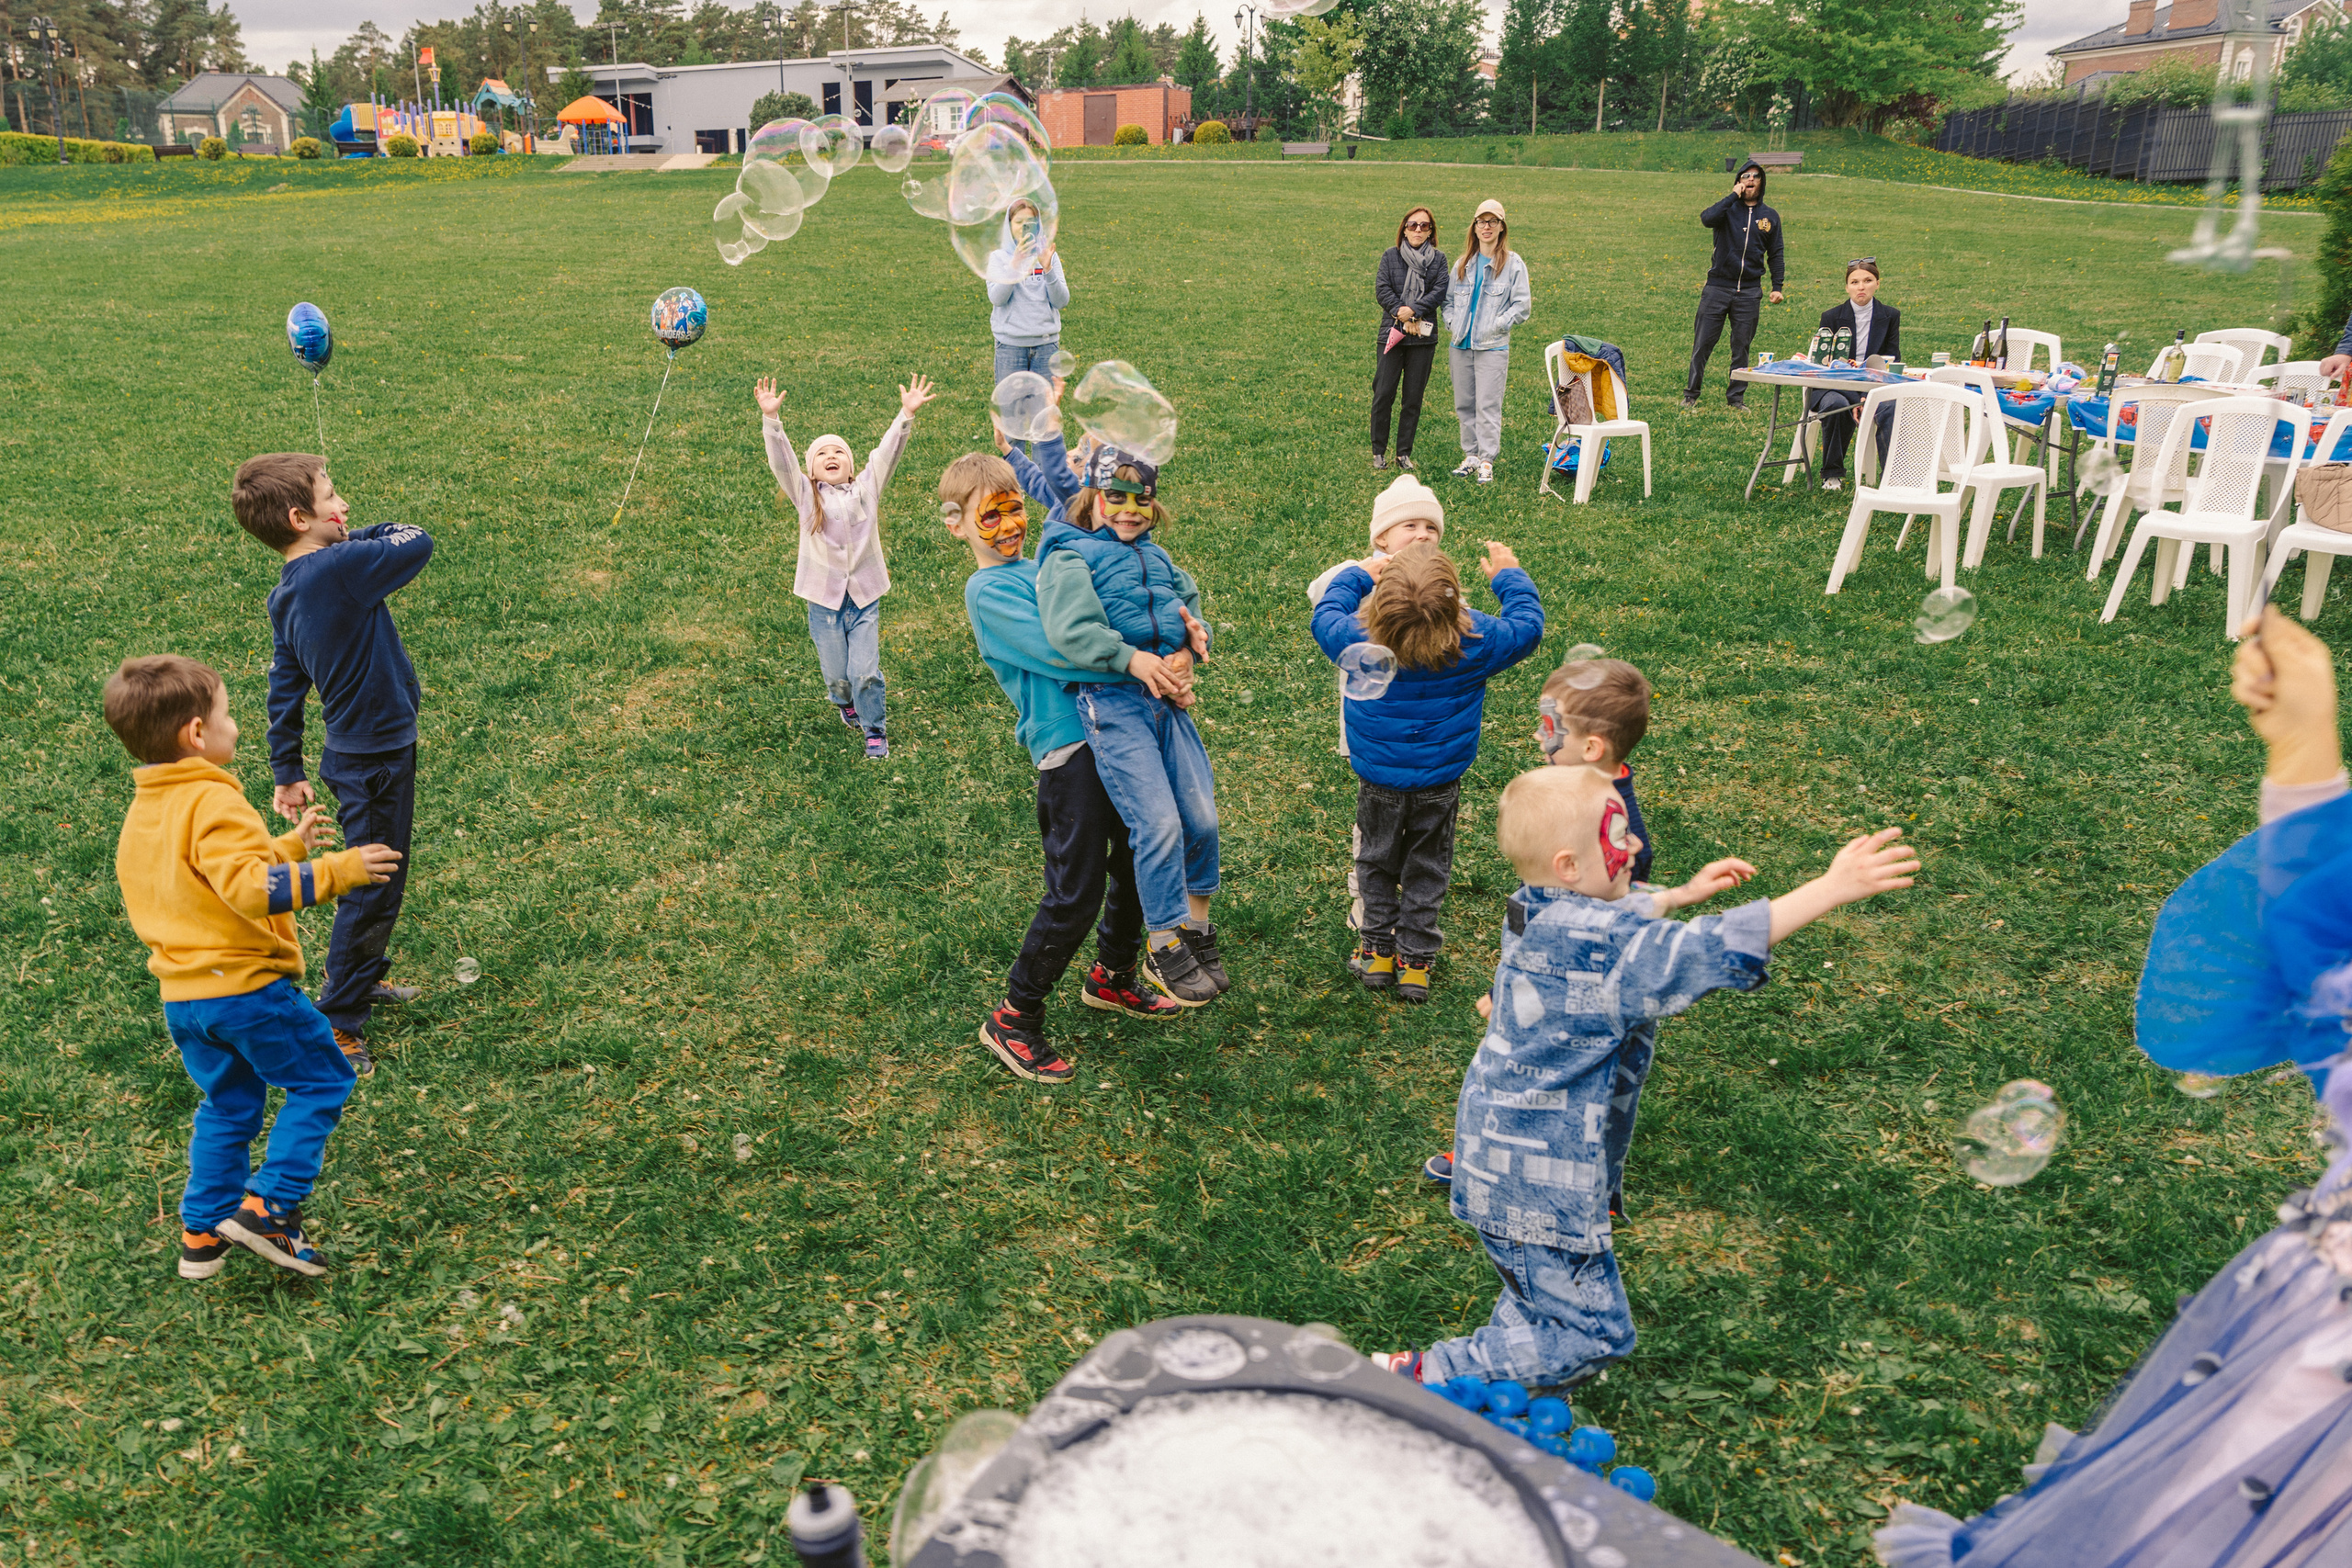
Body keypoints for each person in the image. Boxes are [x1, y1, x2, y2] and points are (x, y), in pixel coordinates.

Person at [1376, 765, 1918, 1390]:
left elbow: (1607, 919)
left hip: (1505, 1162)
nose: (1634, 844)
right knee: (1593, 1332)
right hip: (1536, 1191)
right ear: (1569, 865)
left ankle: (1486, 1396)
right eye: (1618, 834)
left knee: (1540, 1304)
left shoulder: (1536, 908)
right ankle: (1425, 1376)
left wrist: (1677, 896)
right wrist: (1830, 887)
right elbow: (1700, 952)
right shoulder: (1598, 947)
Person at [105, 655, 401, 1280]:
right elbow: (246, 890)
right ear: (195, 734)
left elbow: (201, 878)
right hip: (247, 991)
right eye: (226, 714)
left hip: (185, 999)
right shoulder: (214, 798)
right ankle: (269, 1207)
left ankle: (203, 1232)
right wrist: (335, 871)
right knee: (323, 1079)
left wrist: (284, 850)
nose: (233, 724)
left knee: (229, 1102)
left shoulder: (144, 814)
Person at [940, 449, 1190, 1084]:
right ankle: (1015, 1015)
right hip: (1070, 748)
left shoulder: (1049, 563)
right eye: (988, 516)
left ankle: (1113, 973)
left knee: (1141, 850)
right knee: (1075, 890)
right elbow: (1065, 651)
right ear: (956, 524)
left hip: (1123, 729)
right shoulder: (989, 590)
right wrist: (1142, 663)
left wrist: (1171, 652)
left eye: (1014, 509)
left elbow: (1110, 607)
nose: (1008, 525)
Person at [1423, 653, 1658, 1197]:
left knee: (1539, 1079)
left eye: (1551, 726)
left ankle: (1574, 1181)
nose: (1538, 734)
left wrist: (1506, 987)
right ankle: (1510, 1152)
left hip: (1569, 989)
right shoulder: (1580, 803)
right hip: (1547, 974)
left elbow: (1569, 933)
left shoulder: (1609, 835)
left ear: (1591, 748)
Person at [236, 452, 429, 1078]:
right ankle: (340, 1018)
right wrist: (361, 533)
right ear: (299, 518)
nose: (344, 505)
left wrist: (285, 766)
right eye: (331, 497)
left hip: (356, 753)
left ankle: (362, 977)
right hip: (375, 755)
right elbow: (417, 540)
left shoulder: (287, 590)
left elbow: (284, 684)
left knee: (377, 875)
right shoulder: (344, 568)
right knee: (373, 879)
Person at [1312, 529, 1544, 1004]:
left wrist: (1359, 574)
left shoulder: (1357, 635)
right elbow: (1528, 627)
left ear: (1380, 604)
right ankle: (1415, 962)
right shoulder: (1476, 639)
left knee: (1375, 859)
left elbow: (1325, 616)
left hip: (1378, 777)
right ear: (1454, 602)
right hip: (1441, 778)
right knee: (1428, 865)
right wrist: (1509, 577)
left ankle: (1376, 952)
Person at [1035, 447, 1226, 1009]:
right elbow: (1070, 631)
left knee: (1201, 819)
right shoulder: (1069, 557)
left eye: (1142, 500)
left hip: (1167, 701)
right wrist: (1133, 660)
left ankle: (1195, 929)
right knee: (1159, 822)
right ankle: (1162, 942)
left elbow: (1185, 606)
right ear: (1092, 498)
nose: (1129, 510)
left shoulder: (1157, 557)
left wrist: (1192, 644)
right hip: (1114, 703)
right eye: (1114, 498)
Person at [759, 372, 935, 760]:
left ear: (852, 466)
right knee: (838, 678)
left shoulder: (866, 490)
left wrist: (906, 415)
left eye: (838, 452)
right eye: (822, 454)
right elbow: (783, 463)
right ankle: (845, 704)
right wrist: (772, 422)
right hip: (823, 603)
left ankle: (875, 728)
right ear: (811, 470)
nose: (831, 457)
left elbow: (886, 454)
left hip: (864, 600)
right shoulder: (805, 496)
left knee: (865, 672)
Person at [1443, 199, 1532, 485]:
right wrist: (1453, 324)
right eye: (1482, 222)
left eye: (1493, 222)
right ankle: (1470, 456)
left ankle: (1486, 461)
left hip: (1492, 347)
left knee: (1488, 406)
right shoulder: (1463, 264)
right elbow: (1447, 302)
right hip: (1460, 346)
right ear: (1475, 226)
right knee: (1464, 404)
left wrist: (1497, 326)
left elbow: (1522, 306)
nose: (1487, 227)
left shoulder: (1513, 264)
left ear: (1502, 227)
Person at [1683, 161, 1784, 411]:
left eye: (1756, 176)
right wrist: (1732, 196)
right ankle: (1691, 394)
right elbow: (1706, 218)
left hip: (1749, 292)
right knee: (1702, 344)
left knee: (1741, 348)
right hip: (1718, 288)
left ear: (1762, 182)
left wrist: (1777, 285)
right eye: (1745, 176)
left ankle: (1736, 398)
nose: (1750, 180)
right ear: (1739, 181)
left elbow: (1776, 253)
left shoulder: (1769, 216)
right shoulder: (1726, 210)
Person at [1809, 258, 1901, 491]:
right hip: (1835, 385)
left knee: (1890, 406)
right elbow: (1825, 364)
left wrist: (1866, 393)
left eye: (1868, 281)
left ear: (1878, 284)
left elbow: (1891, 359)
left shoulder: (1890, 316)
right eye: (1855, 282)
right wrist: (1856, 396)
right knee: (1836, 404)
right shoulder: (1830, 316)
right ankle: (1832, 473)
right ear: (1847, 287)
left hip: (1873, 385)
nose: (1861, 287)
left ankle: (1891, 478)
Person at [1372, 206, 1449, 474]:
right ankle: (1378, 451)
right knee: (1383, 393)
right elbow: (1382, 289)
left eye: (1424, 226)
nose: (1418, 230)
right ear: (1404, 228)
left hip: (1423, 338)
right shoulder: (1390, 256)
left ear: (1431, 232)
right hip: (1392, 333)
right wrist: (1400, 312)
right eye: (1413, 225)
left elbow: (1439, 291)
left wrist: (1413, 310)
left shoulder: (1438, 260)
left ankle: (1403, 453)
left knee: (1413, 398)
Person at [989, 198, 1069, 387]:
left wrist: (1047, 268)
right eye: (1018, 222)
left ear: (1038, 225)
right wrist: (1015, 265)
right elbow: (997, 299)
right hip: (1010, 345)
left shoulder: (1049, 256)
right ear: (1009, 226)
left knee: (1044, 411)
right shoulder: (999, 258)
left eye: (1030, 223)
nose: (1024, 227)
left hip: (1046, 345)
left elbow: (1061, 301)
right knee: (1011, 410)